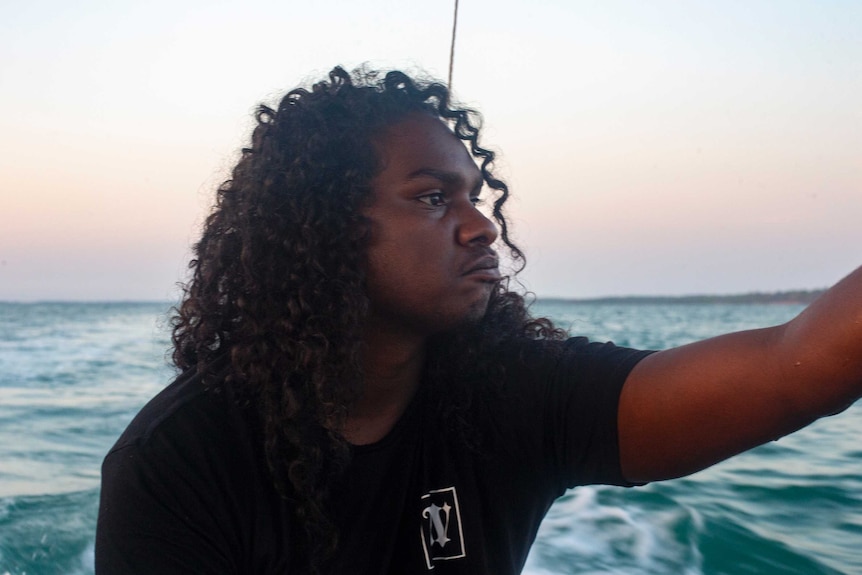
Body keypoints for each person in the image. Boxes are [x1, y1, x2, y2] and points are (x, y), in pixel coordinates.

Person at [95, 66, 862, 574]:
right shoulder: (179, 461)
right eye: (434, 198)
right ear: (322, 226)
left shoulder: (504, 396)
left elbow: (795, 368)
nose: (480, 227)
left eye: (475, 196)